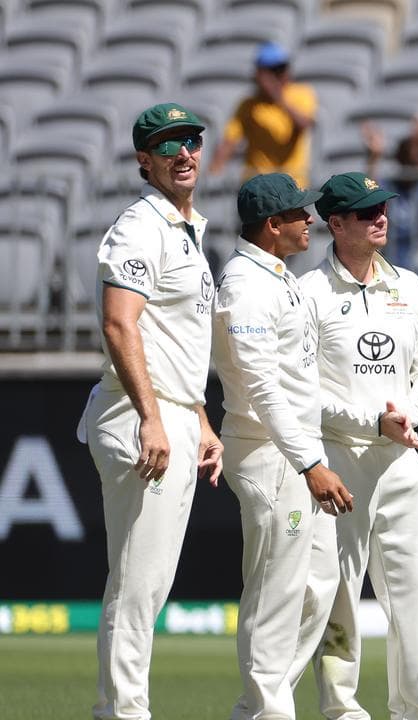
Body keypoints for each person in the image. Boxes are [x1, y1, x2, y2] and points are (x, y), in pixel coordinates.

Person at [79, 102, 224, 720]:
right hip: (139, 414)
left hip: (171, 413)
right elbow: (120, 324)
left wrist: (200, 419)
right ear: (145, 160)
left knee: (150, 580)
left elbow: (177, 342)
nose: (183, 153)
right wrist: (152, 417)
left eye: (191, 140)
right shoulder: (140, 226)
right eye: (167, 146)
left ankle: (121, 708)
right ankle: (122, 712)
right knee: (139, 582)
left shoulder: (186, 229)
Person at [287, 171, 418, 720]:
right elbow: (303, 392)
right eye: (366, 212)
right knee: (338, 597)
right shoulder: (308, 293)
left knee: (416, 598)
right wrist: (372, 422)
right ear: (335, 223)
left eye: (383, 208)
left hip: (402, 460)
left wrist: (405, 418)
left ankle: (416, 711)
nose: (381, 218)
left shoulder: (409, 286)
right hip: (340, 460)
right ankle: (341, 711)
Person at [211, 173, 356, 720]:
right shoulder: (245, 285)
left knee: (317, 586)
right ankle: (265, 711)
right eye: (299, 213)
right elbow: (262, 388)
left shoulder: (276, 275)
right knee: (276, 591)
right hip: (269, 453)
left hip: (296, 449)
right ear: (273, 225)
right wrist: (310, 463)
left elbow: (296, 380)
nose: (310, 220)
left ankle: (259, 707)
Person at [210, 42, 317, 188]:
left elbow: (303, 125)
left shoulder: (301, 94)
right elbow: (229, 141)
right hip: (257, 185)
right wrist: (214, 171)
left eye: (283, 68)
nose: (283, 74)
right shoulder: (249, 105)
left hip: (292, 184)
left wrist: (277, 96)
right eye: (275, 70)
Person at [363, 118, 418, 271]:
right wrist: (374, 157)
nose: (412, 161)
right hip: (394, 255)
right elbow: (370, 189)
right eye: (407, 156)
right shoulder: (391, 184)